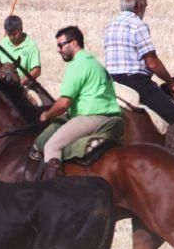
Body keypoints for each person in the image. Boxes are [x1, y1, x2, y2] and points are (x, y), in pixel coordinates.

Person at [104, 0, 174, 154]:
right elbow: (152, 63)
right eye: (145, 7)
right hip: (135, 83)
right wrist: (171, 83)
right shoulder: (138, 25)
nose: (144, 12)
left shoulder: (110, 25)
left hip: (111, 83)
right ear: (139, 6)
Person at [31, 26, 121, 180]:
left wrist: (47, 114)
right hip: (112, 117)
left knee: (51, 145)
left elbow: (64, 103)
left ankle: (53, 190)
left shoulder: (77, 65)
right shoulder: (94, 63)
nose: (58, 50)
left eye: (61, 45)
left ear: (73, 43)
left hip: (90, 118)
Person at [0, 15, 41, 88]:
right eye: (9, 34)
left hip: (25, 86)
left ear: (21, 29)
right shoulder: (3, 43)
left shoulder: (31, 46)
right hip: (3, 86)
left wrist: (20, 83)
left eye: (14, 34)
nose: (12, 37)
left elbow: (37, 70)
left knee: (34, 98)